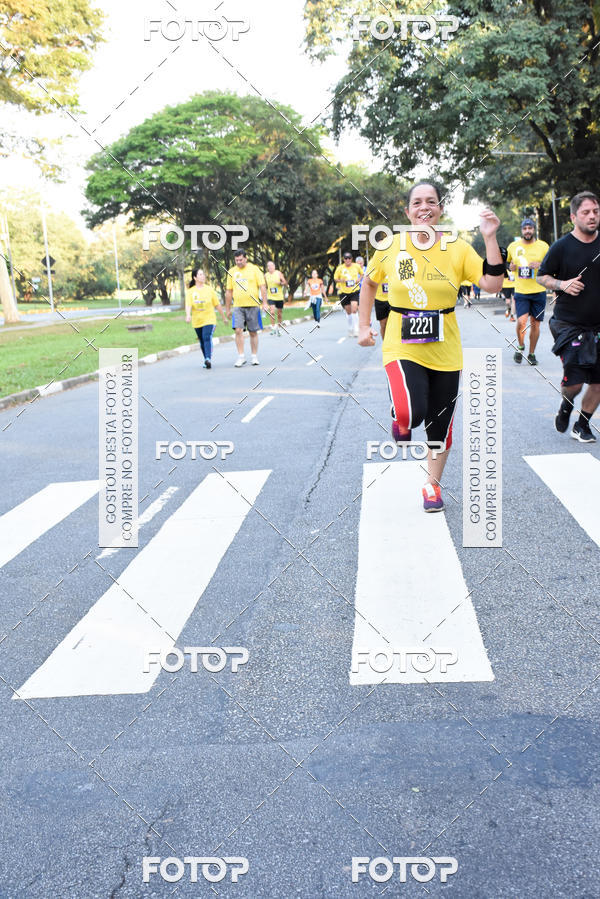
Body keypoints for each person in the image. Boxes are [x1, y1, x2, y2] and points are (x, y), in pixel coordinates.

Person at [358, 181, 503, 512]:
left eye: (431, 202)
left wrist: (490, 237)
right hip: (401, 343)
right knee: (413, 411)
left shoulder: (457, 248)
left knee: (440, 426)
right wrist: (364, 326)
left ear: (440, 209)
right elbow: (368, 283)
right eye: (417, 203)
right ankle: (402, 414)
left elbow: (492, 284)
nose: (424, 207)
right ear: (407, 211)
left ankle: (432, 486)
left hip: (446, 349)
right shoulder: (391, 246)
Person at [537, 190, 600, 442]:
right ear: (574, 216)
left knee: (597, 383)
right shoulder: (561, 247)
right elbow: (542, 276)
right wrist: (562, 284)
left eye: (596, 211)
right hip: (568, 323)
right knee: (574, 382)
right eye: (586, 212)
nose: (592, 216)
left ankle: (581, 425)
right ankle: (566, 405)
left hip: (598, 324)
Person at [507, 218, 550, 365]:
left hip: (539, 290)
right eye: (525, 228)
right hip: (521, 291)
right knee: (521, 321)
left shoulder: (543, 246)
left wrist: (541, 264)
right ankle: (520, 346)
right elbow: (507, 262)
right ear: (521, 230)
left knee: (535, 324)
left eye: (530, 228)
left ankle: (531, 354)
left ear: (534, 229)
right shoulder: (513, 246)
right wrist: (510, 267)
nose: (527, 231)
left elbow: (551, 265)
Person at [225, 250, 268, 367]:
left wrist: (264, 302)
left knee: (253, 332)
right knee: (238, 330)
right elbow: (229, 291)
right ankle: (241, 356)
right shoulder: (232, 272)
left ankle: (254, 356)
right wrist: (227, 308)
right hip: (238, 306)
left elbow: (262, 287)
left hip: (253, 305)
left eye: (240, 260)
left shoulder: (254, 269)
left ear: (246, 258)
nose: (238, 262)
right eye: (236, 260)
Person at [185, 268, 227, 369]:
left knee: (206, 337)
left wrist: (223, 317)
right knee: (202, 341)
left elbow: (217, 305)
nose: (203, 276)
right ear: (195, 277)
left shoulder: (209, 289)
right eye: (200, 274)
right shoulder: (191, 292)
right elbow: (188, 305)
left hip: (209, 319)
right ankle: (206, 359)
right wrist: (188, 315)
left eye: (203, 274)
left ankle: (208, 358)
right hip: (197, 320)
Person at [332, 251, 362, 336]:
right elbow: (335, 278)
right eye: (346, 258)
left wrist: (358, 280)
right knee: (348, 311)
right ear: (343, 259)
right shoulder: (340, 268)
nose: (348, 260)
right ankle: (350, 328)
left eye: (349, 258)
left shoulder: (356, 266)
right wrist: (341, 280)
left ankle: (356, 329)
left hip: (354, 291)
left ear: (351, 259)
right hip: (344, 292)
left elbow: (362, 274)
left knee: (354, 309)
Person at [265, 260, 288, 336]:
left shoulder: (278, 273)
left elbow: (285, 283)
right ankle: (273, 328)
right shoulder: (266, 275)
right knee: (272, 312)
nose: (270, 267)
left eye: (272, 266)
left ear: (274, 266)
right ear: (267, 267)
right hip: (271, 297)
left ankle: (279, 328)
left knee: (279, 314)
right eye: (269, 266)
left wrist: (280, 283)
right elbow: (264, 286)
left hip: (279, 297)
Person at [374, 275, 390, 340]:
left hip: (393, 300)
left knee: (394, 324)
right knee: (383, 325)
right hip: (380, 300)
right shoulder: (378, 268)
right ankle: (385, 344)